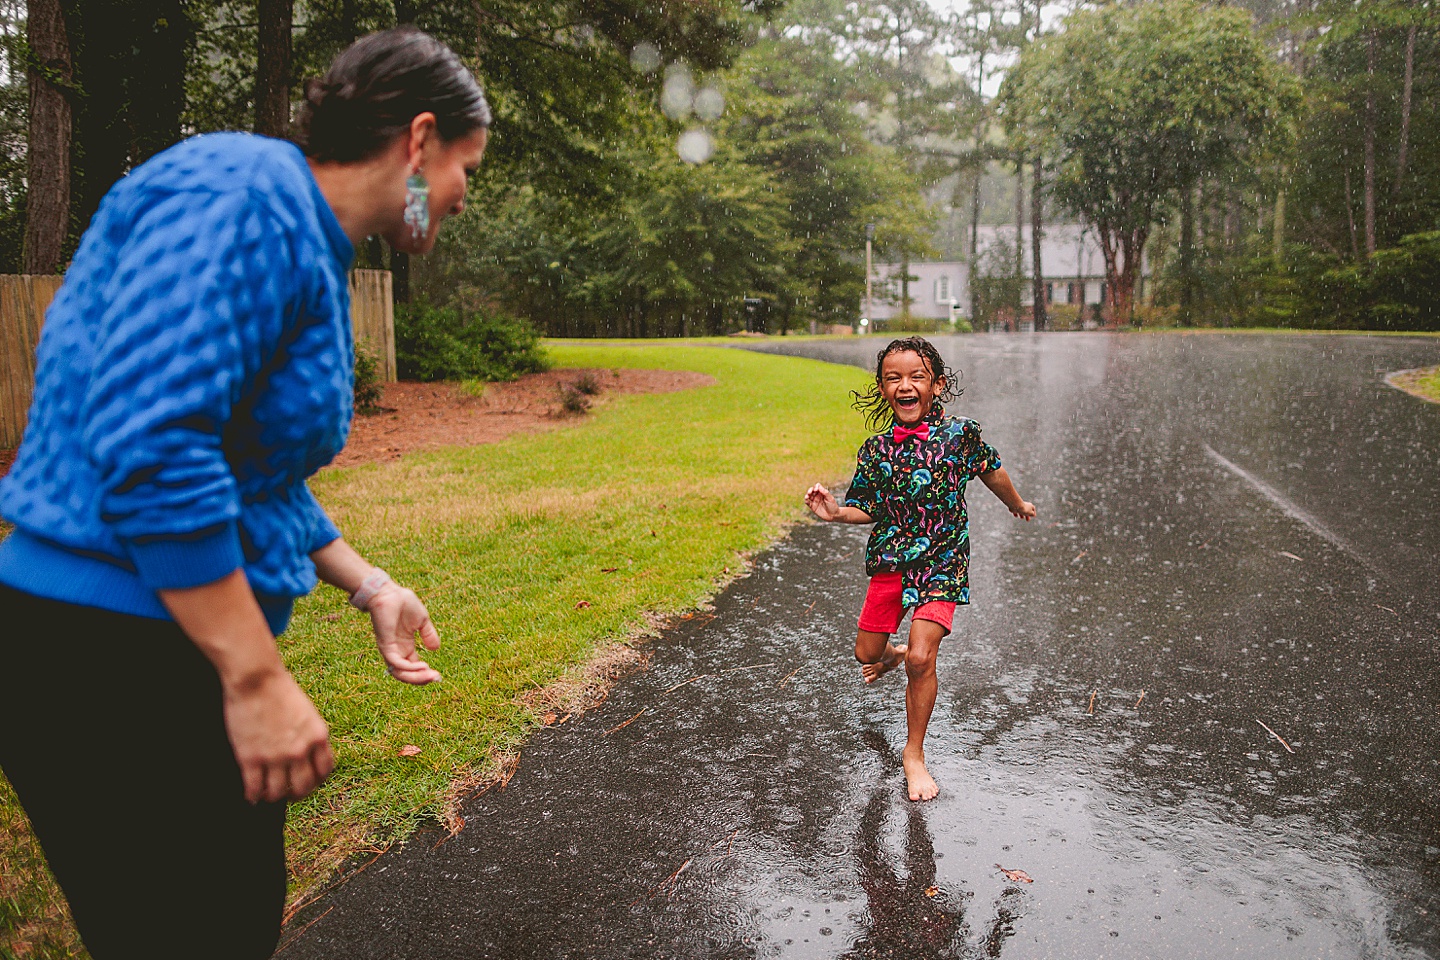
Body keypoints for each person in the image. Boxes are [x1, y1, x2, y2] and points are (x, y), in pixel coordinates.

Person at [0, 27, 489, 960]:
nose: (462, 195)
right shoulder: (245, 195)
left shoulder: (305, 241)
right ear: (420, 141)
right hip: (108, 655)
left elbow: (244, 471)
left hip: (157, 647)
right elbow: (152, 446)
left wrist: (368, 583)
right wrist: (254, 675)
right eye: (467, 164)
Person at [805, 337, 1035, 803]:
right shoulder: (875, 449)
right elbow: (865, 507)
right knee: (865, 655)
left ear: (937, 385)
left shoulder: (960, 435)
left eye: (917, 376)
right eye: (894, 377)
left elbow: (992, 470)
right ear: (882, 388)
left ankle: (914, 754)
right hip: (892, 561)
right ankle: (888, 656)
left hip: (943, 562)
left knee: (922, 656)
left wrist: (1017, 504)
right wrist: (834, 513)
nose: (905, 385)